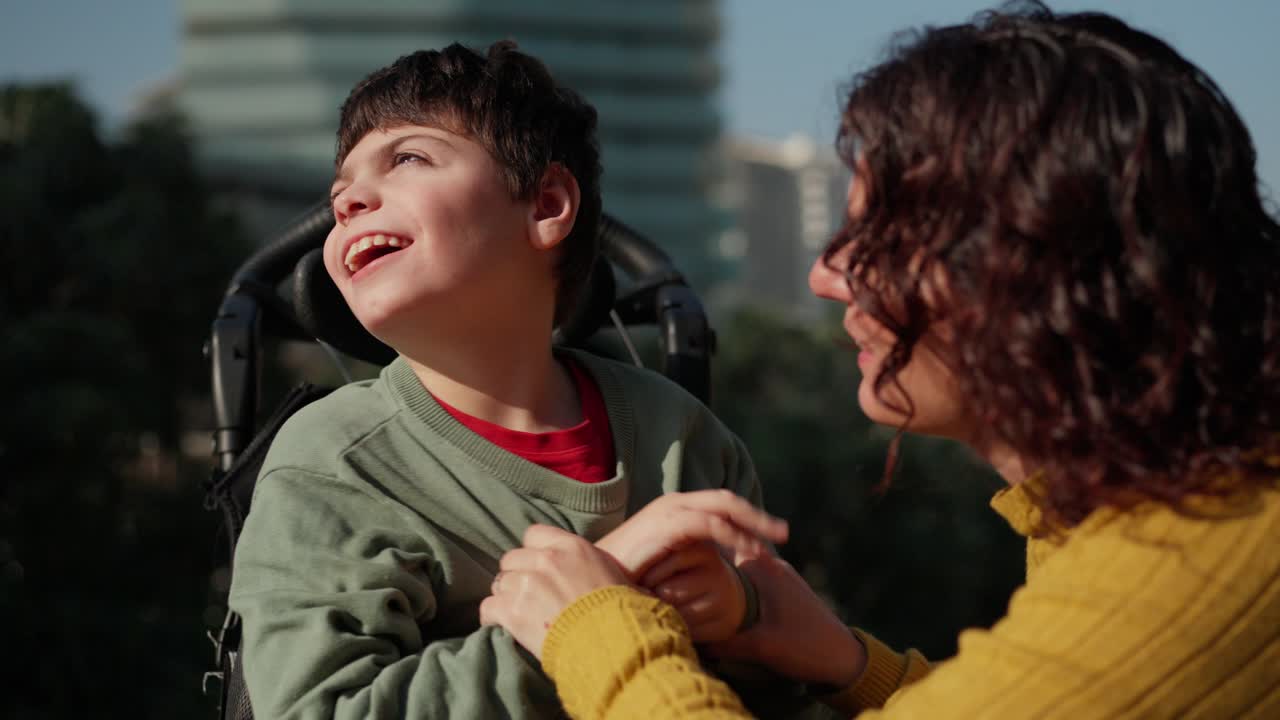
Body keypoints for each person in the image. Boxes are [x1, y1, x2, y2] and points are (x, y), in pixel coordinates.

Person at [480, 4, 1280, 718]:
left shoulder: (1186, 567)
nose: (827, 275)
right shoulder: (1174, 506)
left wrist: (597, 628)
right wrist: (851, 665)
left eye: (881, 242)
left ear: (1036, 271)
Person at [228, 41, 781, 719]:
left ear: (546, 204)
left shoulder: (686, 439)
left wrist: (743, 615)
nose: (349, 202)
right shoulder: (335, 461)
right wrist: (585, 615)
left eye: (408, 158)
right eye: (339, 192)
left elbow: (786, 677)